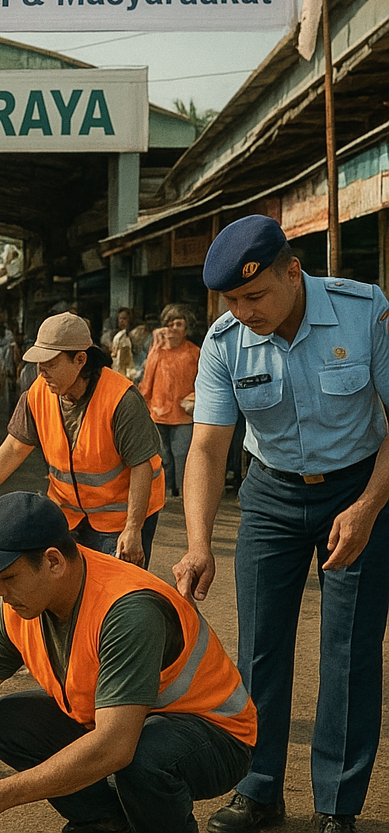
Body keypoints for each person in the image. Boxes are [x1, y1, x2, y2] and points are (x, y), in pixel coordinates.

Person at [0, 492, 256, 833]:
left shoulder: (128, 610)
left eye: (9, 577)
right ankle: (104, 822)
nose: (0, 593)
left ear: (54, 562)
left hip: (216, 734)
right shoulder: (21, 606)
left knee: (142, 757)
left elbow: (115, 746)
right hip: (134, 722)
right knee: (8, 721)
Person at [173, 215, 389, 833]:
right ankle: (258, 790)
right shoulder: (224, 342)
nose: (245, 312)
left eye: (255, 295)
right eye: (232, 301)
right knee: (260, 647)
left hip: (359, 486)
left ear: (293, 272)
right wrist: (197, 544)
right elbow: (208, 448)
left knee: (349, 651)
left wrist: (369, 507)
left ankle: (338, 805)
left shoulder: (364, 312)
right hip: (270, 496)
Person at [0, 313, 165, 568]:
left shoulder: (122, 399)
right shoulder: (38, 393)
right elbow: (13, 448)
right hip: (68, 514)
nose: (41, 372)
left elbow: (141, 466)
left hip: (122, 518)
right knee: (66, 583)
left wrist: (133, 528)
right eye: (39, 364)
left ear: (80, 360)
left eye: (50, 364)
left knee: (115, 587)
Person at [139, 304, 199, 497]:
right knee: (162, 457)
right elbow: (147, 382)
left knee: (182, 456)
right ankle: (165, 494)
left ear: (186, 329)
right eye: (169, 324)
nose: (173, 329)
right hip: (157, 414)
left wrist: (194, 399)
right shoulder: (157, 351)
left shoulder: (194, 352)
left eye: (178, 324)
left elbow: (204, 383)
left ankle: (183, 494)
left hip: (183, 416)